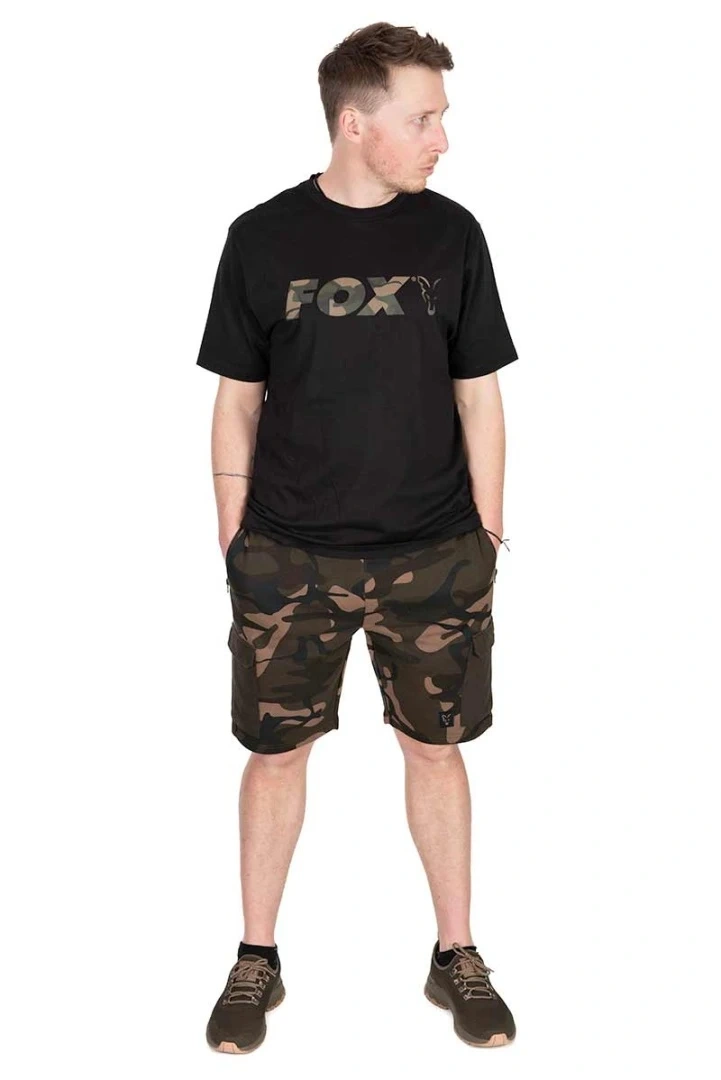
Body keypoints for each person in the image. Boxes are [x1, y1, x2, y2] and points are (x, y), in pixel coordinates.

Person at [196, 21, 519, 1054]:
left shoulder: (451, 235)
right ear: (354, 122)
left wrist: (489, 532)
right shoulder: (261, 238)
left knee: (435, 750)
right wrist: (234, 535)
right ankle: (255, 958)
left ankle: (455, 954)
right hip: (288, 555)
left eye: (440, 118)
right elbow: (236, 399)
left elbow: (479, 392)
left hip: (435, 553)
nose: (441, 138)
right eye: (422, 119)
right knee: (275, 756)